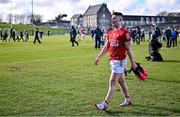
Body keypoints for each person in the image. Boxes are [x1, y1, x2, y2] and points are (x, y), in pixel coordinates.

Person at [93, 11, 137, 110]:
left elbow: (129, 49)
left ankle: (104, 104)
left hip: (120, 61)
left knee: (112, 81)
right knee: (121, 81)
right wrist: (98, 57)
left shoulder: (125, 33)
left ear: (120, 20)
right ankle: (128, 99)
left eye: (114, 18)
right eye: (112, 18)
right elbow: (106, 46)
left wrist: (133, 63)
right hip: (112, 61)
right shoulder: (110, 32)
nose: (112, 20)